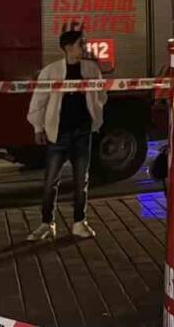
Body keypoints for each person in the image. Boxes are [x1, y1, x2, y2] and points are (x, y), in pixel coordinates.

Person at [26, 29, 106, 241]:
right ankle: (47, 223)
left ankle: (79, 222)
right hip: (58, 132)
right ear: (68, 47)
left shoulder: (91, 69)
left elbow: (101, 95)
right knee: (50, 181)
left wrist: (94, 113)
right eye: (81, 43)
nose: (85, 47)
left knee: (81, 180)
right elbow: (39, 100)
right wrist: (38, 127)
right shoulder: (51, 70)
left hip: (82, 131)